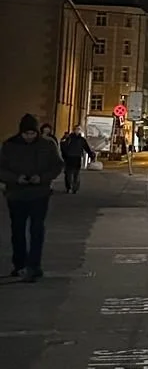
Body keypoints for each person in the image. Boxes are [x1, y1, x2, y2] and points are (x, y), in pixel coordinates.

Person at [2, 114, 64, 279]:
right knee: (18, 230)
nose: (29, 137)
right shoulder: (10, 146)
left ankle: (34, 265)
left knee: (37, 229)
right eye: (26, 134)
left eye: (32, 134)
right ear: (21, 133)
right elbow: (1, 168)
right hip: (16, 194)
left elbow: (57, 165)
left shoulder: (46, 145)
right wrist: (16, 178)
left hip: (39, 194)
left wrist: (42, 178)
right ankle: (20, 264)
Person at [59, 127, 94, 193]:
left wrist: (90, 154)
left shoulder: (81, 139)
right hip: (70, 157)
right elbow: (63, 145)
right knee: (70, 173)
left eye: (79, 129)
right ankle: (70, 187)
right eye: (76, 129)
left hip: (76, 157)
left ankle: (74, 188)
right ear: (73, 130)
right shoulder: (69, 138)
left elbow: (86, 147)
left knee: (75, 173)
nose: (77, 131)